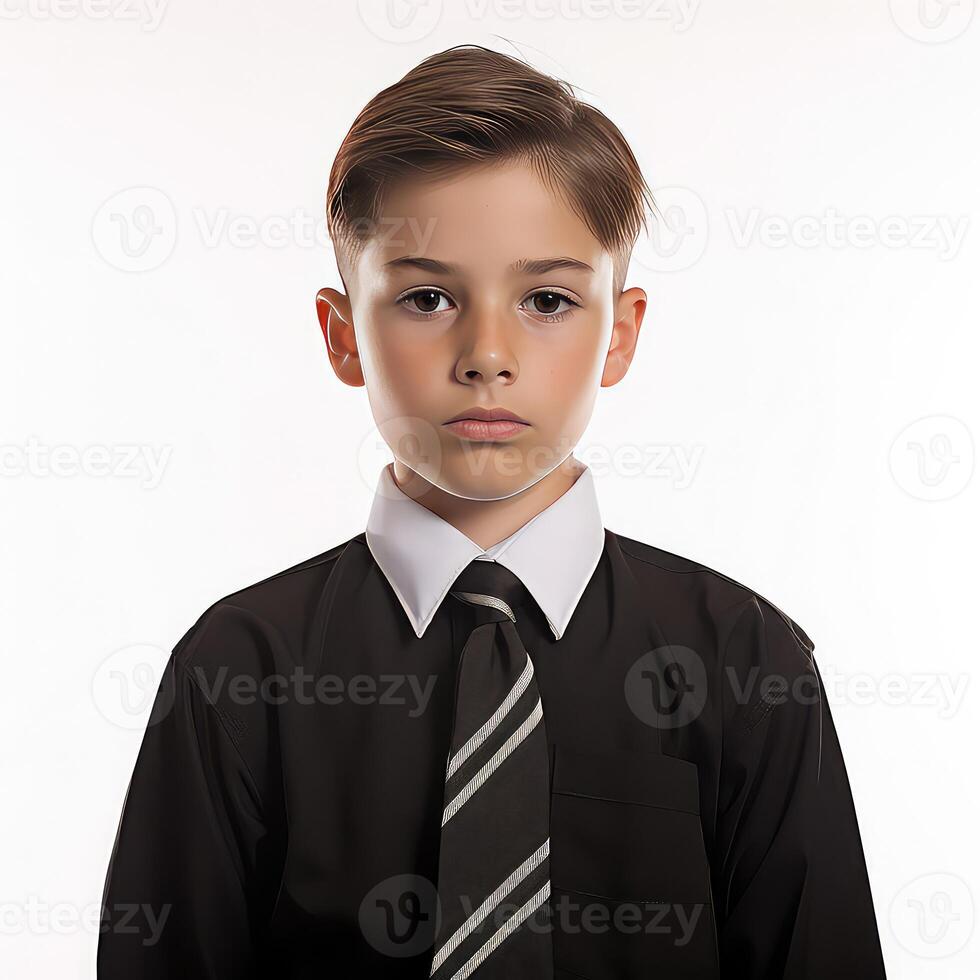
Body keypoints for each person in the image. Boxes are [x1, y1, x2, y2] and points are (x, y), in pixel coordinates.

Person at [98, 44, 886, 979]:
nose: (487, 353)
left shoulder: (746, 662)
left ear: (621, 335)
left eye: (547, 299)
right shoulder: (238, 671)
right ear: (343, 335)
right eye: (428, 297)